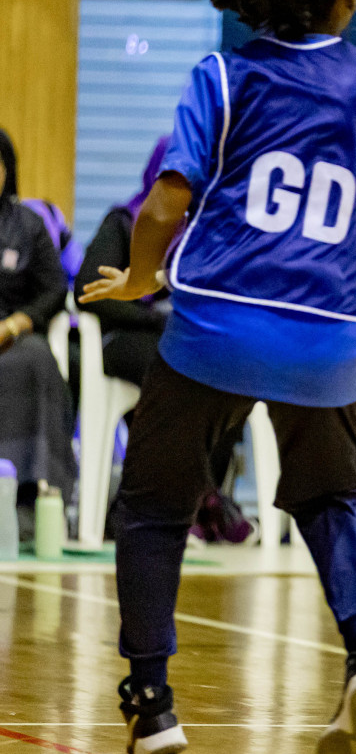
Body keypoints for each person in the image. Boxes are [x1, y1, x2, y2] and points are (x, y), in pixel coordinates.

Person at [80, 0, 356, 754]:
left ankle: (152, 703)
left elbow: (163, 207)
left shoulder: (226, 74)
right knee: (333, 500)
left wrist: (142, 278)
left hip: (220, 322)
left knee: (152, 507)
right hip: (332, 334)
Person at [76, 137, 254, 545]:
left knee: (226, 372)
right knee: (176, 371)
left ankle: (195, 497)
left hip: (185, 340)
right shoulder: (124, 222)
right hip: (126, 339)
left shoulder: (207, 234)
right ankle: (196, 499)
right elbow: (87, 289)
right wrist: (153, 318)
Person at [0, 128, 76, 508]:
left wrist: (16, 323)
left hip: (12, 335)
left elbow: (55, 290)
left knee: (34, 359)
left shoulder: (28, 225)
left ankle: (25, 494)